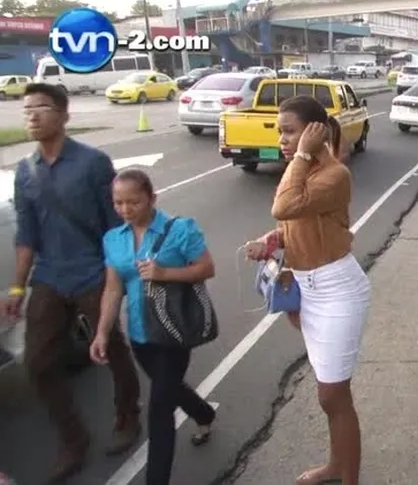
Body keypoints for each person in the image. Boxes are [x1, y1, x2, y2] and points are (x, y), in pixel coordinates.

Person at [3, 83, 141, 481]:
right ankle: (72, 439)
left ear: (64, 115)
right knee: (39, 363)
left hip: (94, 273)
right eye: (26, 109)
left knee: (111, 348)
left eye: (41, 108)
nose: (31, 115)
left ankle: (127, 415)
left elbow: (115, 224)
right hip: (49, 278)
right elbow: (26, 234)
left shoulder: (93, 162)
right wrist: (16, 287)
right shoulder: (25, 172)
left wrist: (118, 275)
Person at [247, 96, 371, 485]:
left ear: (315, 133)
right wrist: (273, 241)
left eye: (290, 131)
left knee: (334, 396)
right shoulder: (304, 170)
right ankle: (336, 465)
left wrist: (301, 156)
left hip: (338, 291)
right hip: (306, 287)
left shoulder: (334, 175)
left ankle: (347, 477)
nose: (283, 140)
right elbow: (290, 223)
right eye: (279, 131)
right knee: (327, 394)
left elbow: (283, 206)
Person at [90, 170, 217, 485]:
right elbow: (112, 289)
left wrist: (164, 273)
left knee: (159, 409)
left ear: (152, 198)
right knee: (168, 387)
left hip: (174, 332)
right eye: (118, 202)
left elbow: (206, 268)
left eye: (133, 201)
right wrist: (102, 332)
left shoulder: (180, 230)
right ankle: (203, 414)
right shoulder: (114, 239)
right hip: (140, 335)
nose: (125, 209)